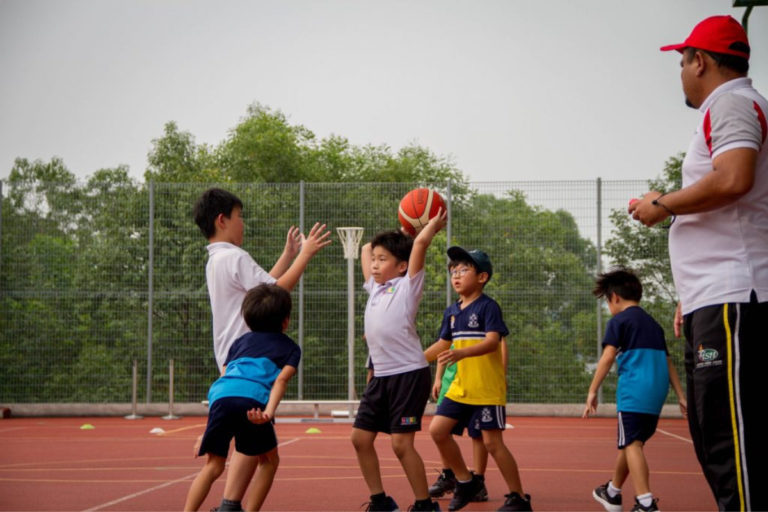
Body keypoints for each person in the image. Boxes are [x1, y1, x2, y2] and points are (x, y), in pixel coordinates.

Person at [629, 15, 768, 511]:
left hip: (733, 296)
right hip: (719, 297)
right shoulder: (738, 106)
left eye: (683, 61)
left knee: (731, 444)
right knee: (718, 437)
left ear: (701, 61)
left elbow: (734, 180)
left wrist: (663, 202)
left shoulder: (731, 103)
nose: (682, 72)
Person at [186, 188, 331, 511]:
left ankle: (230, 504)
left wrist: (288, 255)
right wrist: (305, 254)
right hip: (254, 356)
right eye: (240, 217)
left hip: (232, 359)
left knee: (242, 444)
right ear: (222, 220)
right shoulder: (235, 256)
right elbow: (276, 292)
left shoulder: (217, 258)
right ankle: (232, 503)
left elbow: (262, 288)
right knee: (256, 439)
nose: (243, 223)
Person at [350, 209, 447, 512]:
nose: (375, 264)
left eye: (383, 260)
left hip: (408, 375)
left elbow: (418, 247)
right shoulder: (375, 288)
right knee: (360, 439)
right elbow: (366, 248)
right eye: (375, 260)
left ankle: (424, 504)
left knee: (401, 444)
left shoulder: (408, 288)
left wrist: (426, 228)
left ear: (402, 266)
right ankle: (380, 501)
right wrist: (400, 229)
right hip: (381, 376)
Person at [424, 247, 531, 512]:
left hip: (486, 389)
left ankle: (518, 497)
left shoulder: (488, 307)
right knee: (437, 431)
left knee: (493, 443)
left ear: (482, 277)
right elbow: (441, 345)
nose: (456, 275)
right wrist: (410, 362)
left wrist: (461, 353)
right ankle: (465, 480)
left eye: (463, 270)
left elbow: (493, 342)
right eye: (453, 271)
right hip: (461, 388)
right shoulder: (452, 311)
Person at [185, 284, 300, 512]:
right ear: (285, 321)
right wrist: (268, 412)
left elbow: (225, 380)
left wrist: (208, 429)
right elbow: (280, 381)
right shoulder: (290, 347)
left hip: (220, 395)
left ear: (247, 320)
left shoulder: (238, 343)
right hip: (253, 402)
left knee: (213, 465)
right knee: (268, 461)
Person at [582, 269, 686, 512]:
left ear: (615, 297)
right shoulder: (653, 324)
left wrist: (592, 391)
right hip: (656, 393)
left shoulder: (619, 321)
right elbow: (667, 361)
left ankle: (645, 503)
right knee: (632, 442)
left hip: (634, 392)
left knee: (632, 444)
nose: (609, 306)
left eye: (607, 301)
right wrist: (681, 395)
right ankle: (612, 492)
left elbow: (608, 357)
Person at [427, 339, 508, 503]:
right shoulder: (452, 314)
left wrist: (502, 373)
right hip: (451, 379)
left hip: (476, 378)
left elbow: (499, 343)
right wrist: (438, 378)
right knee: (442, 429)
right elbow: (444, 345)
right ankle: (448, 475)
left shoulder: (485, 315)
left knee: (477, 433)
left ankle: (478, 481)